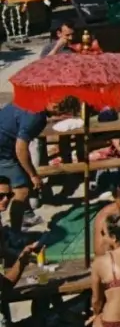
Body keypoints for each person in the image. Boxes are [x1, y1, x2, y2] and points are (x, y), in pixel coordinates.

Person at [0, 99, 54, 231]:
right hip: (4, 150)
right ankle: (15, 233)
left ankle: (25, 215)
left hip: (5, 149)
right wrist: (33, 175)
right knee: (22, 190)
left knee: (12, 185)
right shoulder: (37, 116)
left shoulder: (28, 100)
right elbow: (21, 148)